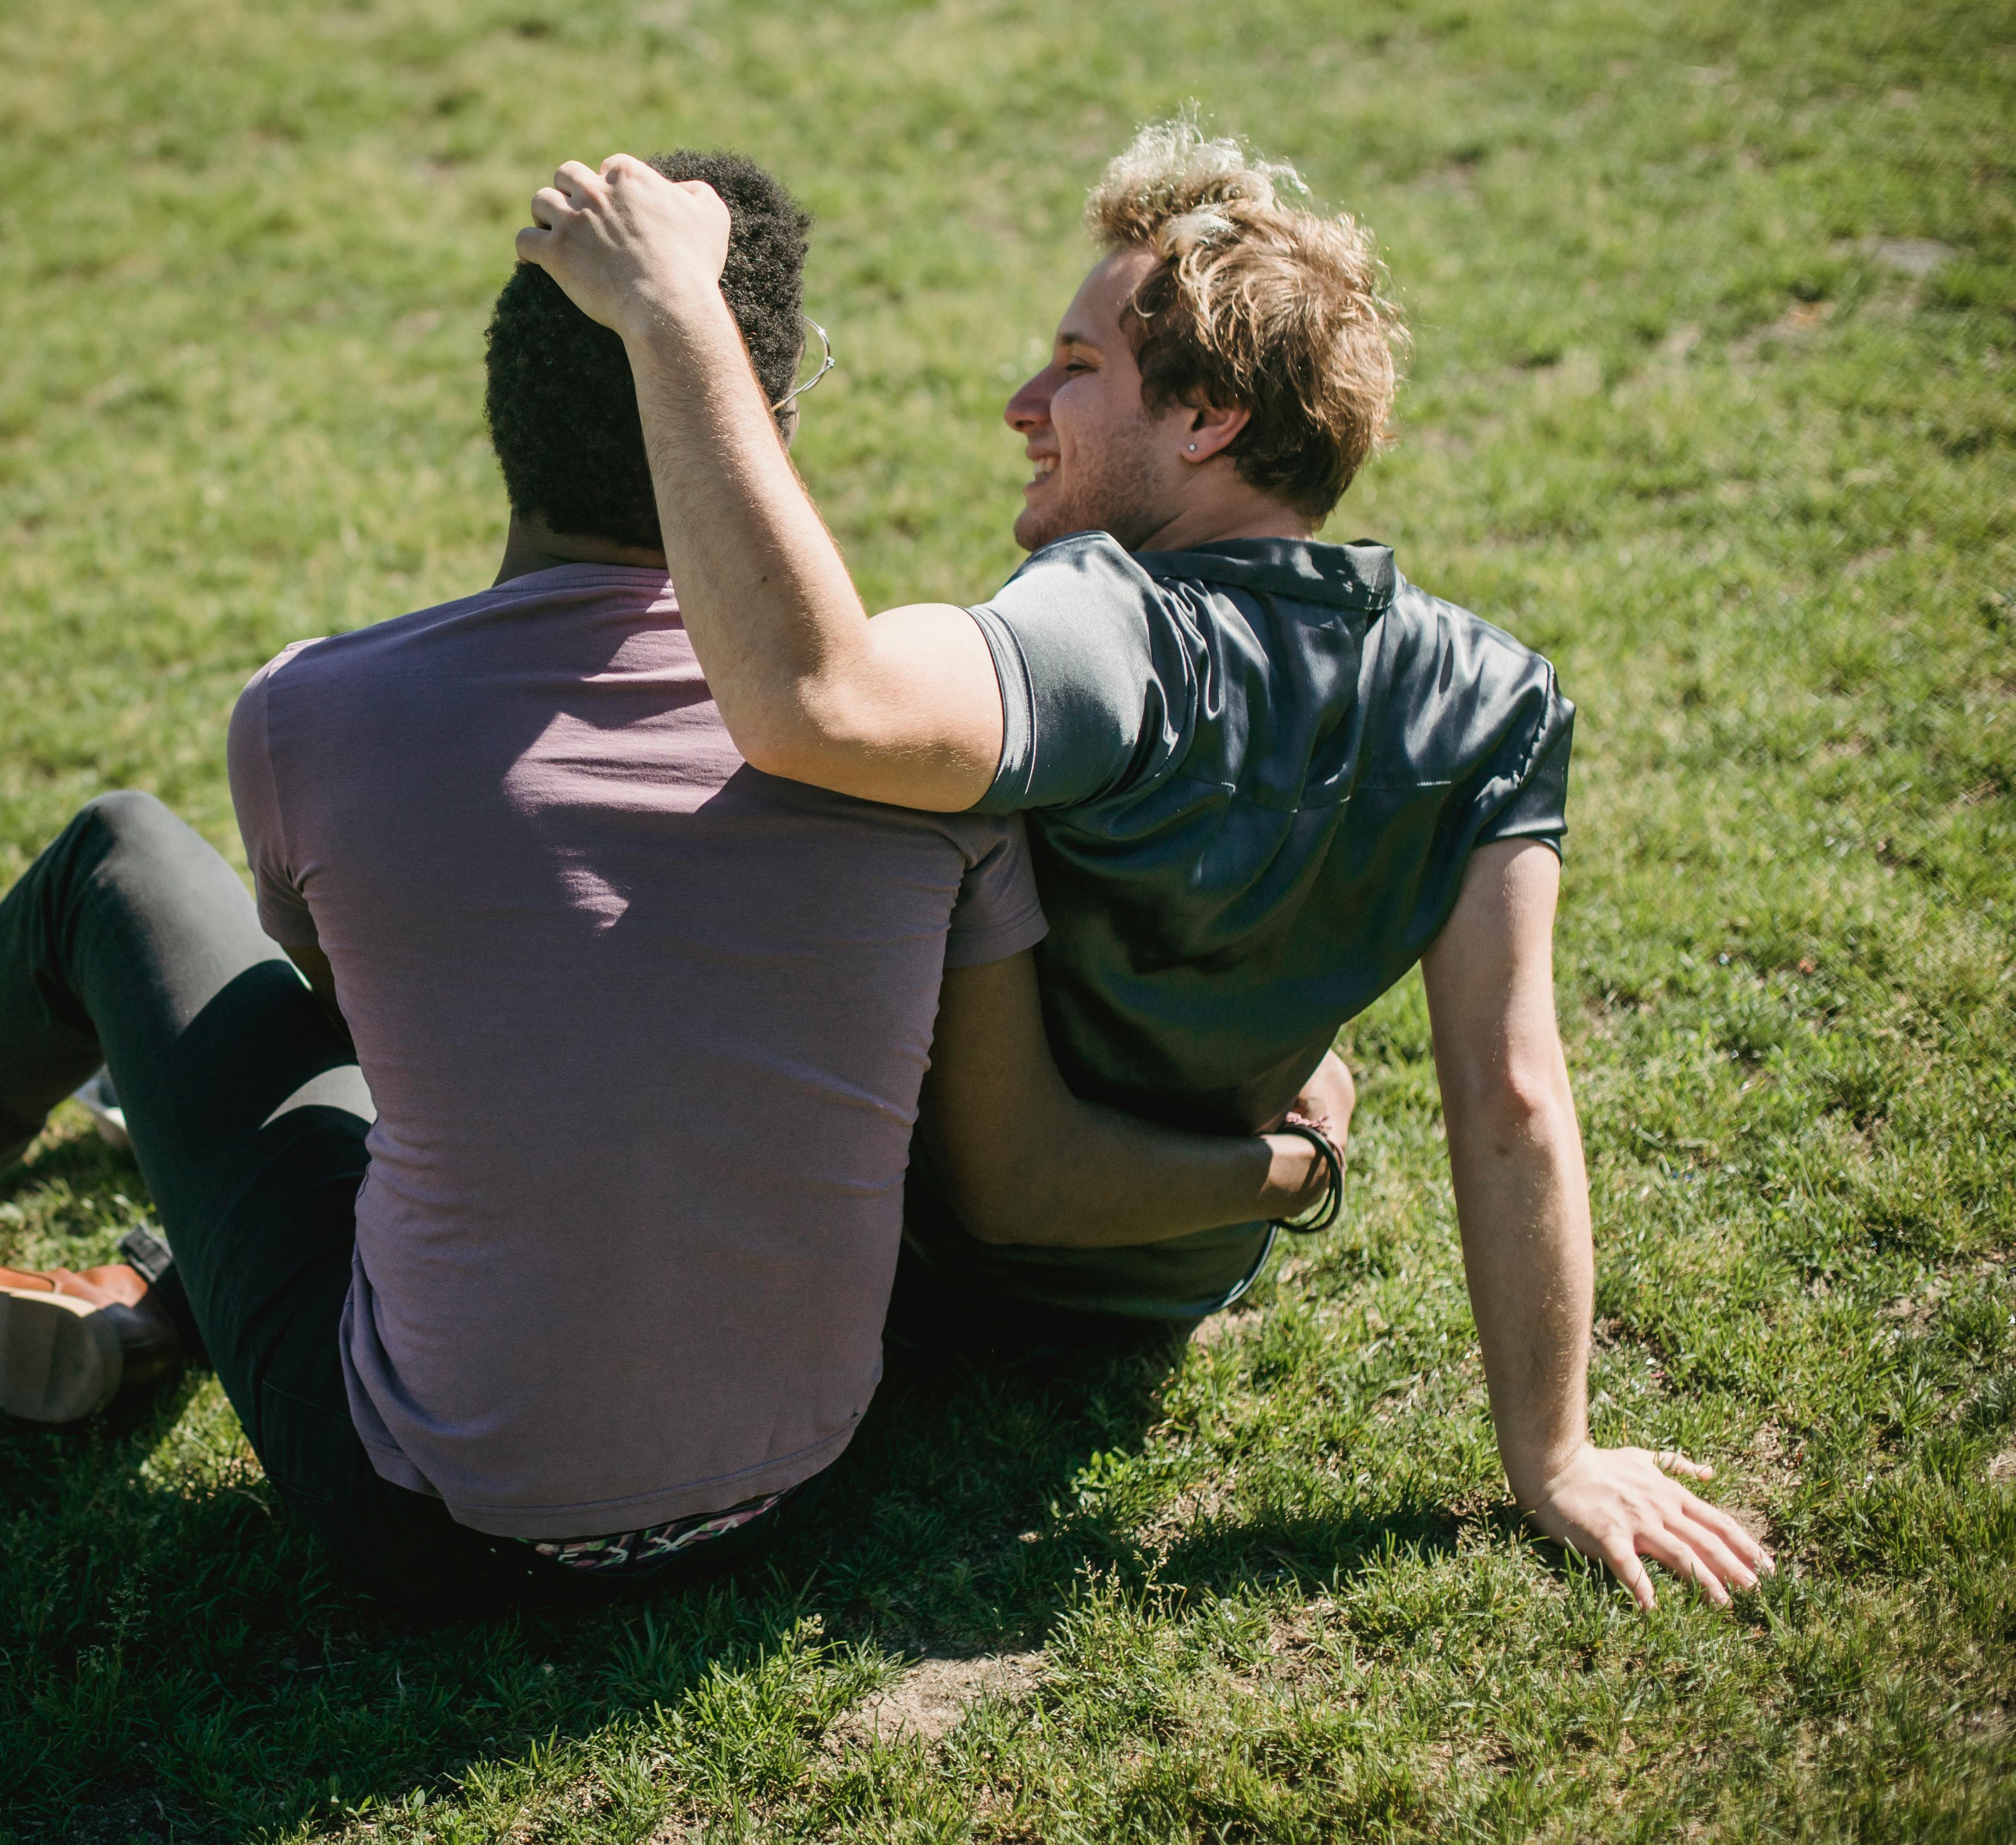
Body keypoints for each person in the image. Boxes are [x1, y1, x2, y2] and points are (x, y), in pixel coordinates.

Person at [0, 151, 1342, 1611]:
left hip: (424, 1513)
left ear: (505, 429)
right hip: (799, 1484)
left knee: (124, 866)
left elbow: (368, 1039)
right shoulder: (921, 754)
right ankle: (152, 1293)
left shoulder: (315, 717)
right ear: (752, 428)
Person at [510, 119, 1775, 1611]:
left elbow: (814, 700)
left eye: (1077, 367)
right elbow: (1509, 1093)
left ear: (1209, 420)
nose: (1022, 404)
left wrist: (674, 319)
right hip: (1172, 1281)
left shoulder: (1116, 623)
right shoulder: (1495, 696)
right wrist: (1552, 1455)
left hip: (907, 1279)